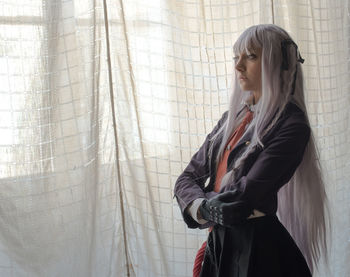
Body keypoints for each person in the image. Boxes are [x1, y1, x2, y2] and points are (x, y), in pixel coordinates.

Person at [174, 24, 329, 277]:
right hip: (220, 247)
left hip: (259, 253)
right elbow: (186, 178)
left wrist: (201, 205)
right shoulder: (230, 120)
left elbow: (242, 197)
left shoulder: (292, 125)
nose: (238, 66)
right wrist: (204, 207)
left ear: (276, 62)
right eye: (237, 57)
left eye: (251, 56)